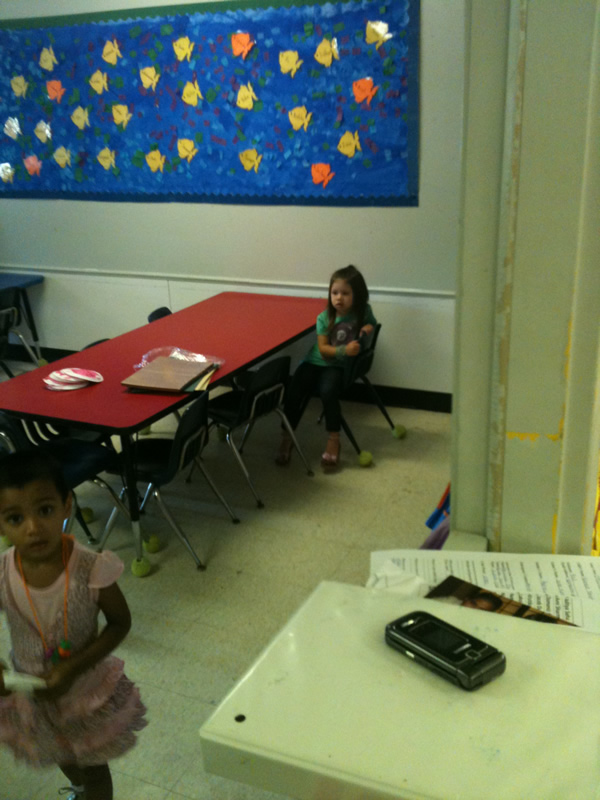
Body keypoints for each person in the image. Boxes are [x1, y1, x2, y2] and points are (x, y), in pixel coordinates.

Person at [0, 450, 146, 800]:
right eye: (15, 518)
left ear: (67, 505)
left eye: (45, 510)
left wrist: (72, 667)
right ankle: (80, 790)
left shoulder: (91, 568)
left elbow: (119, 623)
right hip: (33, 695)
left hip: (84, 695)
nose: (33, 528)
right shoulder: (3, 573)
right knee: (59, 752)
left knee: (93, 767)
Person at [277, 265, 376, 469]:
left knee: (328, 391)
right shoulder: (324, 318)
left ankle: (334, 439)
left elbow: (371, 322)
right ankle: (287, 437)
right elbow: (323, 350)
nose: (339, 298)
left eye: (345, 293)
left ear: (357, 295)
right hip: (316, 361)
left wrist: (367, 328)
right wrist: (344, 350)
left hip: (337, 367)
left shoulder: (363, 311)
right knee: (294, 390)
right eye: (335, 293)